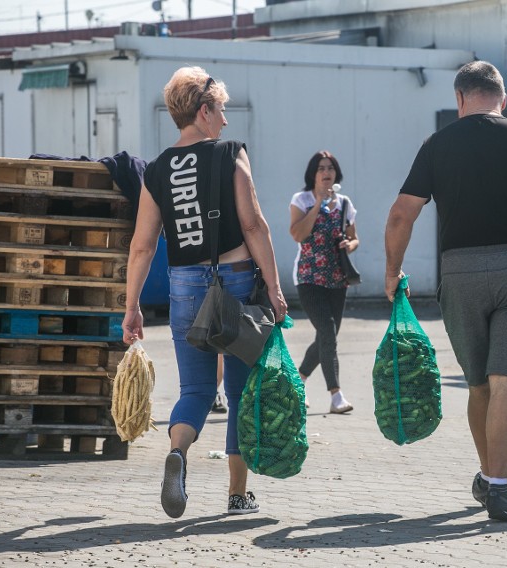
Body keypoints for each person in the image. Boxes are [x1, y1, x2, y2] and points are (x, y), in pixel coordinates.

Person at [384, 61, 507, 522]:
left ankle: (489, 475)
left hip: (460, 274)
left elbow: (401, 213)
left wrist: (393, 271)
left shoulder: (436, 145)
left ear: (460, 98)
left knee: (479, 384)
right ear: (503, 96)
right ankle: (497, 483)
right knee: (506, 382)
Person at [121, 66, 287, 518]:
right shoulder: (230, 153)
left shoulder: (156, 170)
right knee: (238, 393)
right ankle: (236, 497)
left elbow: (142, 245)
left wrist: (132, 306)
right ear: (203, 110)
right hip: (235, 283)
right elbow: (253, 224)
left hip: (184, 286)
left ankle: (177, 455)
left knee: (195, 388)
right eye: (221, 110)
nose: (226, 121)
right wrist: (273, 287)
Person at [289, 151, 359, 414]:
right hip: (309, 277)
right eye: (321, 168)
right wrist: (317, 204)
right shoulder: (302, 200)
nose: (326, 172)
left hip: (337, 279)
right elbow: (297, 234)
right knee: (328, 332)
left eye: (330, 168)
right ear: (313, 173)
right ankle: (336, 395)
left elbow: (355, 238)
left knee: (326, 337)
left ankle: (299, 381)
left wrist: (348, 245)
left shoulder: (344, 203)